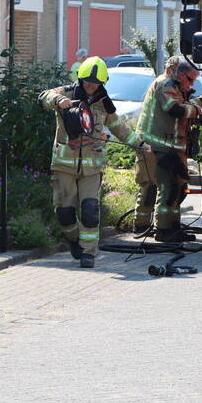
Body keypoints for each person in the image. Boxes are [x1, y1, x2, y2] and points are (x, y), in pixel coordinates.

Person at [39, 56, 149, 268]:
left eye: (95, 83)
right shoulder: (67, 92)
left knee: (90, 210)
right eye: (87, 82)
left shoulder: (104, 104)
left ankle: (89, 253)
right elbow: (44, 96)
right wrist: (57, 101)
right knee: (64, 212)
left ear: (102, 83)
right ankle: (73, 240)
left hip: (92, 167)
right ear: (80, 79)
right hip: (64, 165)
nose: (90, 86)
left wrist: (140, 144)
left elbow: (120, 128)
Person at [135, 56, 202, 242]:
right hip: (155, 146)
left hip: (172, 147)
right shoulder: (165, 85)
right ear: (178, 73)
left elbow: (188, 107)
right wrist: (197, 111)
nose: (192, 83)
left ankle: (172, 227)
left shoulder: (177, 87)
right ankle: (158, 229)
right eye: (190, 79)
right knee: (162, 187)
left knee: (178, 187)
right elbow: (176, 110)